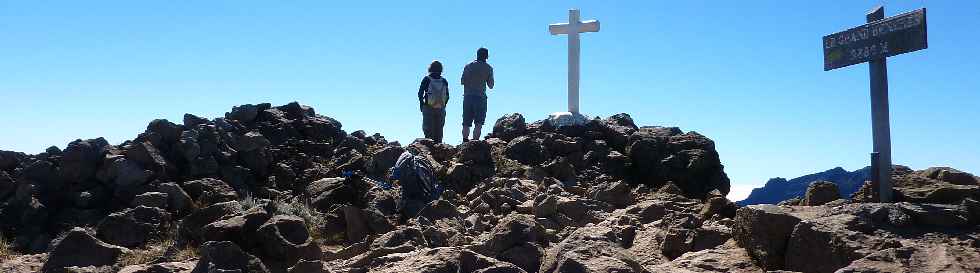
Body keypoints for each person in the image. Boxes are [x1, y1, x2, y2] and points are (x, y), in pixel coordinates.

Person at [389, 149, 443, 221]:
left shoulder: (406, 159)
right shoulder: (420, 162)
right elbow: (428, 184)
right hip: (420, 202)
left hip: (410, 200)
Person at [460, 47, 494, 142]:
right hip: (480, 97)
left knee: (466, 122)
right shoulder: (488, 68)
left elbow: (462, 81)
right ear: (487, 56)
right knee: (479, 123)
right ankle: (475, 143)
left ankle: (465, 141)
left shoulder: (468, 66)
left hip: (468, 96)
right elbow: (491, 85)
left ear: (477, 55)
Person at [418, 60, 449, 143]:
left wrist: (422, 104)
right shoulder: (444, 80)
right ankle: (439, 149)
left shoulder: (427, 79)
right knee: (439, 130)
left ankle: (429, 150)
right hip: (441, 108)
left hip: (428, 107)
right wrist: (443, 105)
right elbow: (447, 96)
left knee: (428, 131)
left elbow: (420, 93)